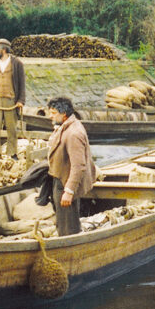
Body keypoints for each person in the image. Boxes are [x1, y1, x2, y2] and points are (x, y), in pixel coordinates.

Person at [46, 96, 96, 237]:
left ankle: (69, 249)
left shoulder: (74, 133)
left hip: (65, 182)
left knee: (68, 225)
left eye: (54, 113)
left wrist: (69, 190)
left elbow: (79, 165)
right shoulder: (65, 127)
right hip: (60, 178)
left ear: (64, 114)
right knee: (63, 221)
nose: (50, 116)